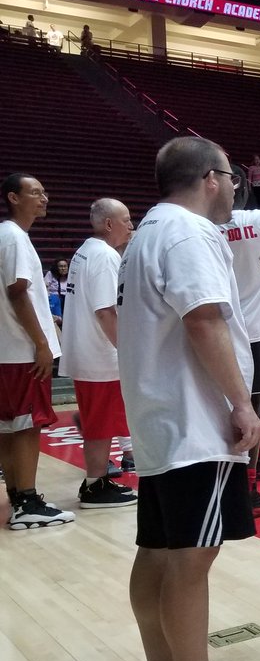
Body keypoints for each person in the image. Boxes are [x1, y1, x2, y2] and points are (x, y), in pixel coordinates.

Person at [120, 136, 260, 661]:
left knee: (157, 551)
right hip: (194, 424)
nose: (238, 186)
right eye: (232, 176)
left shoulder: (145, 236)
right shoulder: (189, 233)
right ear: (212, 178)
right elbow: (204, 320)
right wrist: (242, 403)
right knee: (192, 558)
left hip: (161, 420)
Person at [0, 173, 74, 529]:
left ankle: (17, 495)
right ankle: (27, 502)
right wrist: (42, 344)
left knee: (10, 427)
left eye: (44, 191)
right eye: (35, 192)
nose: (44, 197)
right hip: (21, 351)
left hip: (8, 351)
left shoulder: (8, 235)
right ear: (14, 198)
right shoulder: (14, 237)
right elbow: (18, 292)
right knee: (27, 426)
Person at [59, 198, 138, 509]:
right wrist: (128, 350)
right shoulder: (105, 256)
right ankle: (94, 486)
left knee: (97, 423)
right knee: (100, 424)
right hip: (100, 357)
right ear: (109, 224)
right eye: (127, 219)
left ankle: (97, 480)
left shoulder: (84, 251)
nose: (131, 226)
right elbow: (106, 312)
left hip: (85, 352)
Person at [219, 164, 260, 517]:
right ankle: (245, 491)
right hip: (254, 336)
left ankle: (227, 487)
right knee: (252, 415)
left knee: (222, 413)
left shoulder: (208, 227)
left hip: (218, 332)